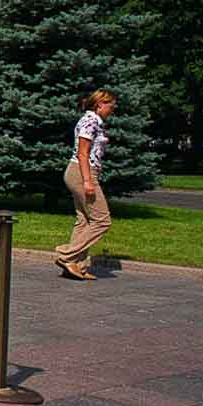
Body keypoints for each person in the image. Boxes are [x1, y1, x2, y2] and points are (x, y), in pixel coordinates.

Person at [55, 89, 117, 280]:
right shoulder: (90, 121)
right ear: (100, 105)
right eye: (110, 107)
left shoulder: (92, 121)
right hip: (82, 173)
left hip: (82, 172)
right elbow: (83, 153)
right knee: (102, 220)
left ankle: (77, 267)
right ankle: (67, 255)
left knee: (84, 219)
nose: (111, 111)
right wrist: (88, 181)